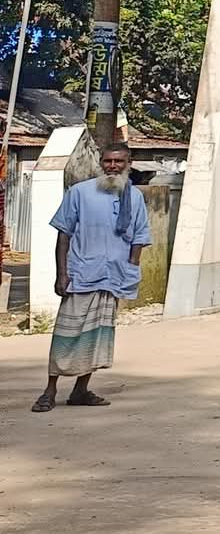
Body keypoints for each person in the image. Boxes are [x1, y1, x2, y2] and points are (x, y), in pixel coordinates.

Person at [34, 143, 151, 412]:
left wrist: (131, 269)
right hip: (82, 274)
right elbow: (63, 234)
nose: (113, 166)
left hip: (114, 276)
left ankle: (81, 389)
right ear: (101, 163)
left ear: (129, 163)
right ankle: (50, 390)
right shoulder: (79, 192)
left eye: (118, 161)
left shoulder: (134, 197)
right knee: (66, 334)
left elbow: (140, 237)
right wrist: (61, 274)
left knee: (97, 337)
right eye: (108, 161)